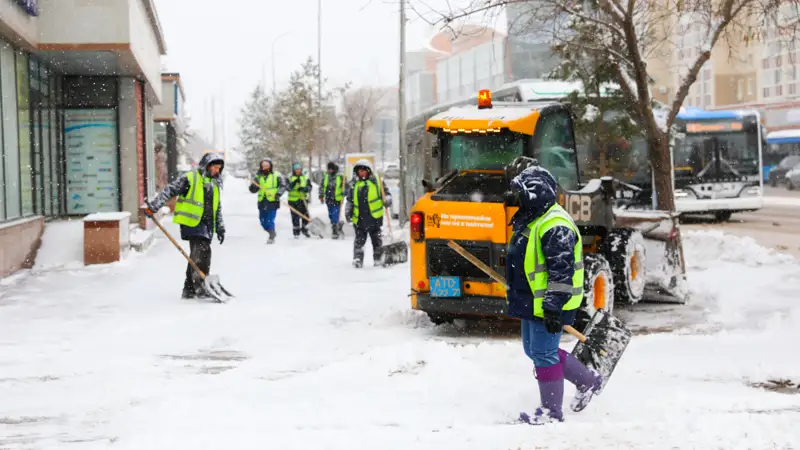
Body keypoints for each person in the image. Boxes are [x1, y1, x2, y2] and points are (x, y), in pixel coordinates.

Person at [505, 165, 603, 425]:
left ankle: (551, 411)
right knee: (534, 350)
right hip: (533, 299)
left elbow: (561, 271)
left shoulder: (555, 225)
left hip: (550, 301)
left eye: (521, 194)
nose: (517, 199)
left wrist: (553, 305)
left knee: (543, 353)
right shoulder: (535, 217)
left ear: (535, 194)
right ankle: (588, 380)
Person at [142, 152, 226, 299]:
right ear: (206, 165)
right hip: (191, 222)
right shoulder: (190, 178)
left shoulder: (214, 184)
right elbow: (170, 190)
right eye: (214, 167)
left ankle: (189, 289)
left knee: (198, 255)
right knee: (202, 251)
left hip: (206, 224)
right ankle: (200, 286)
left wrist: (220, 227)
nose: (216, 170)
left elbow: (217, 207)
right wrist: (154, 206)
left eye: (219, 168)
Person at [345, 159, 391, 268]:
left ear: (368, 171)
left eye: (364, 170)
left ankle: (378, 259)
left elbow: (387, 194)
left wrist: (387, 200)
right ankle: (358, 259)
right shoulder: (354, 185)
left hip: (374, 218)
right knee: (359, 241)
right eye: (359, 171)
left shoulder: (377, 182)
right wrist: (348, 212)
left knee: (376, 241)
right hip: (359, 219)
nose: (361, 173)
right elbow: (350, 200)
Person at [248, 158, 285, 244]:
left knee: (269, 220)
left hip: (272, 201)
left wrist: (278, 194)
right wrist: (253, 186)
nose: (265, 167)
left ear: (270, 166)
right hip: (262, 201)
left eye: (267, 165)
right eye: (263, 165)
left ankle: (271, 236)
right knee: (262, 221)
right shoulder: (258, 176)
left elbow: (283, 186)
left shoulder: (276, 175)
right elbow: (253, 190)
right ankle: (271, 232)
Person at [319, 161, 345, 239]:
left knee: (335, 214)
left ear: (334, 169)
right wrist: (321, 195)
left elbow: (346, 186)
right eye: (329, 169)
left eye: (332, 169)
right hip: (328, 199)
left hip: (337, 199)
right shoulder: (326, 177)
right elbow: (322, 187)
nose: (330, 170)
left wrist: (345, 192)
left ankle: (335, 230)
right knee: (330, 215)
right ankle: (336, 225)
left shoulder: (340, 177)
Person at [287, 162, 312, 239]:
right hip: (293, 200)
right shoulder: (290, 178)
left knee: (305, 216)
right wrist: (294, 183)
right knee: (295, 217)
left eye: (299, 169)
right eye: (296, 169)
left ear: (301, 169)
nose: (298, 170)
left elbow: (310, 187)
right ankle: (296, 232)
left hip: (303, 200)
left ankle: (305, 230)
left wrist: (304, 189)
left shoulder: (305, 177)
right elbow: (287, 188)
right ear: (293, 170)